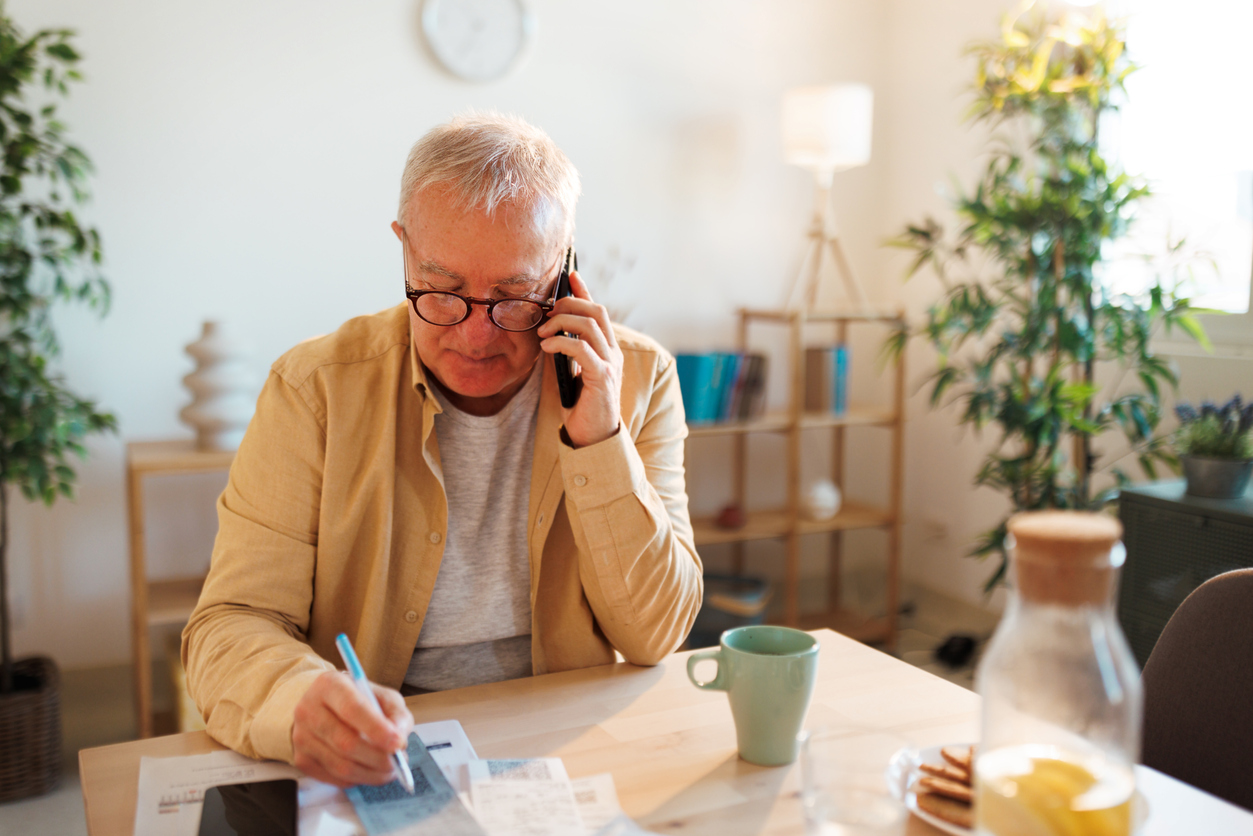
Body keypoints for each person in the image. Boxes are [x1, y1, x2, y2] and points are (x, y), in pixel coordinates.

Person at [182, 112, 702, 788]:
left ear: (565, 266)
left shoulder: (636, 378)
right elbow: (231, 624)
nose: (478, 336)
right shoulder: (314, 390)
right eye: (444, 292)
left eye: (515, 296)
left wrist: (598, 435)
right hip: (378, 757)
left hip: (563, 743)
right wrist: (299, 701)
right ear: (403, 249)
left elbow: (654, 634)